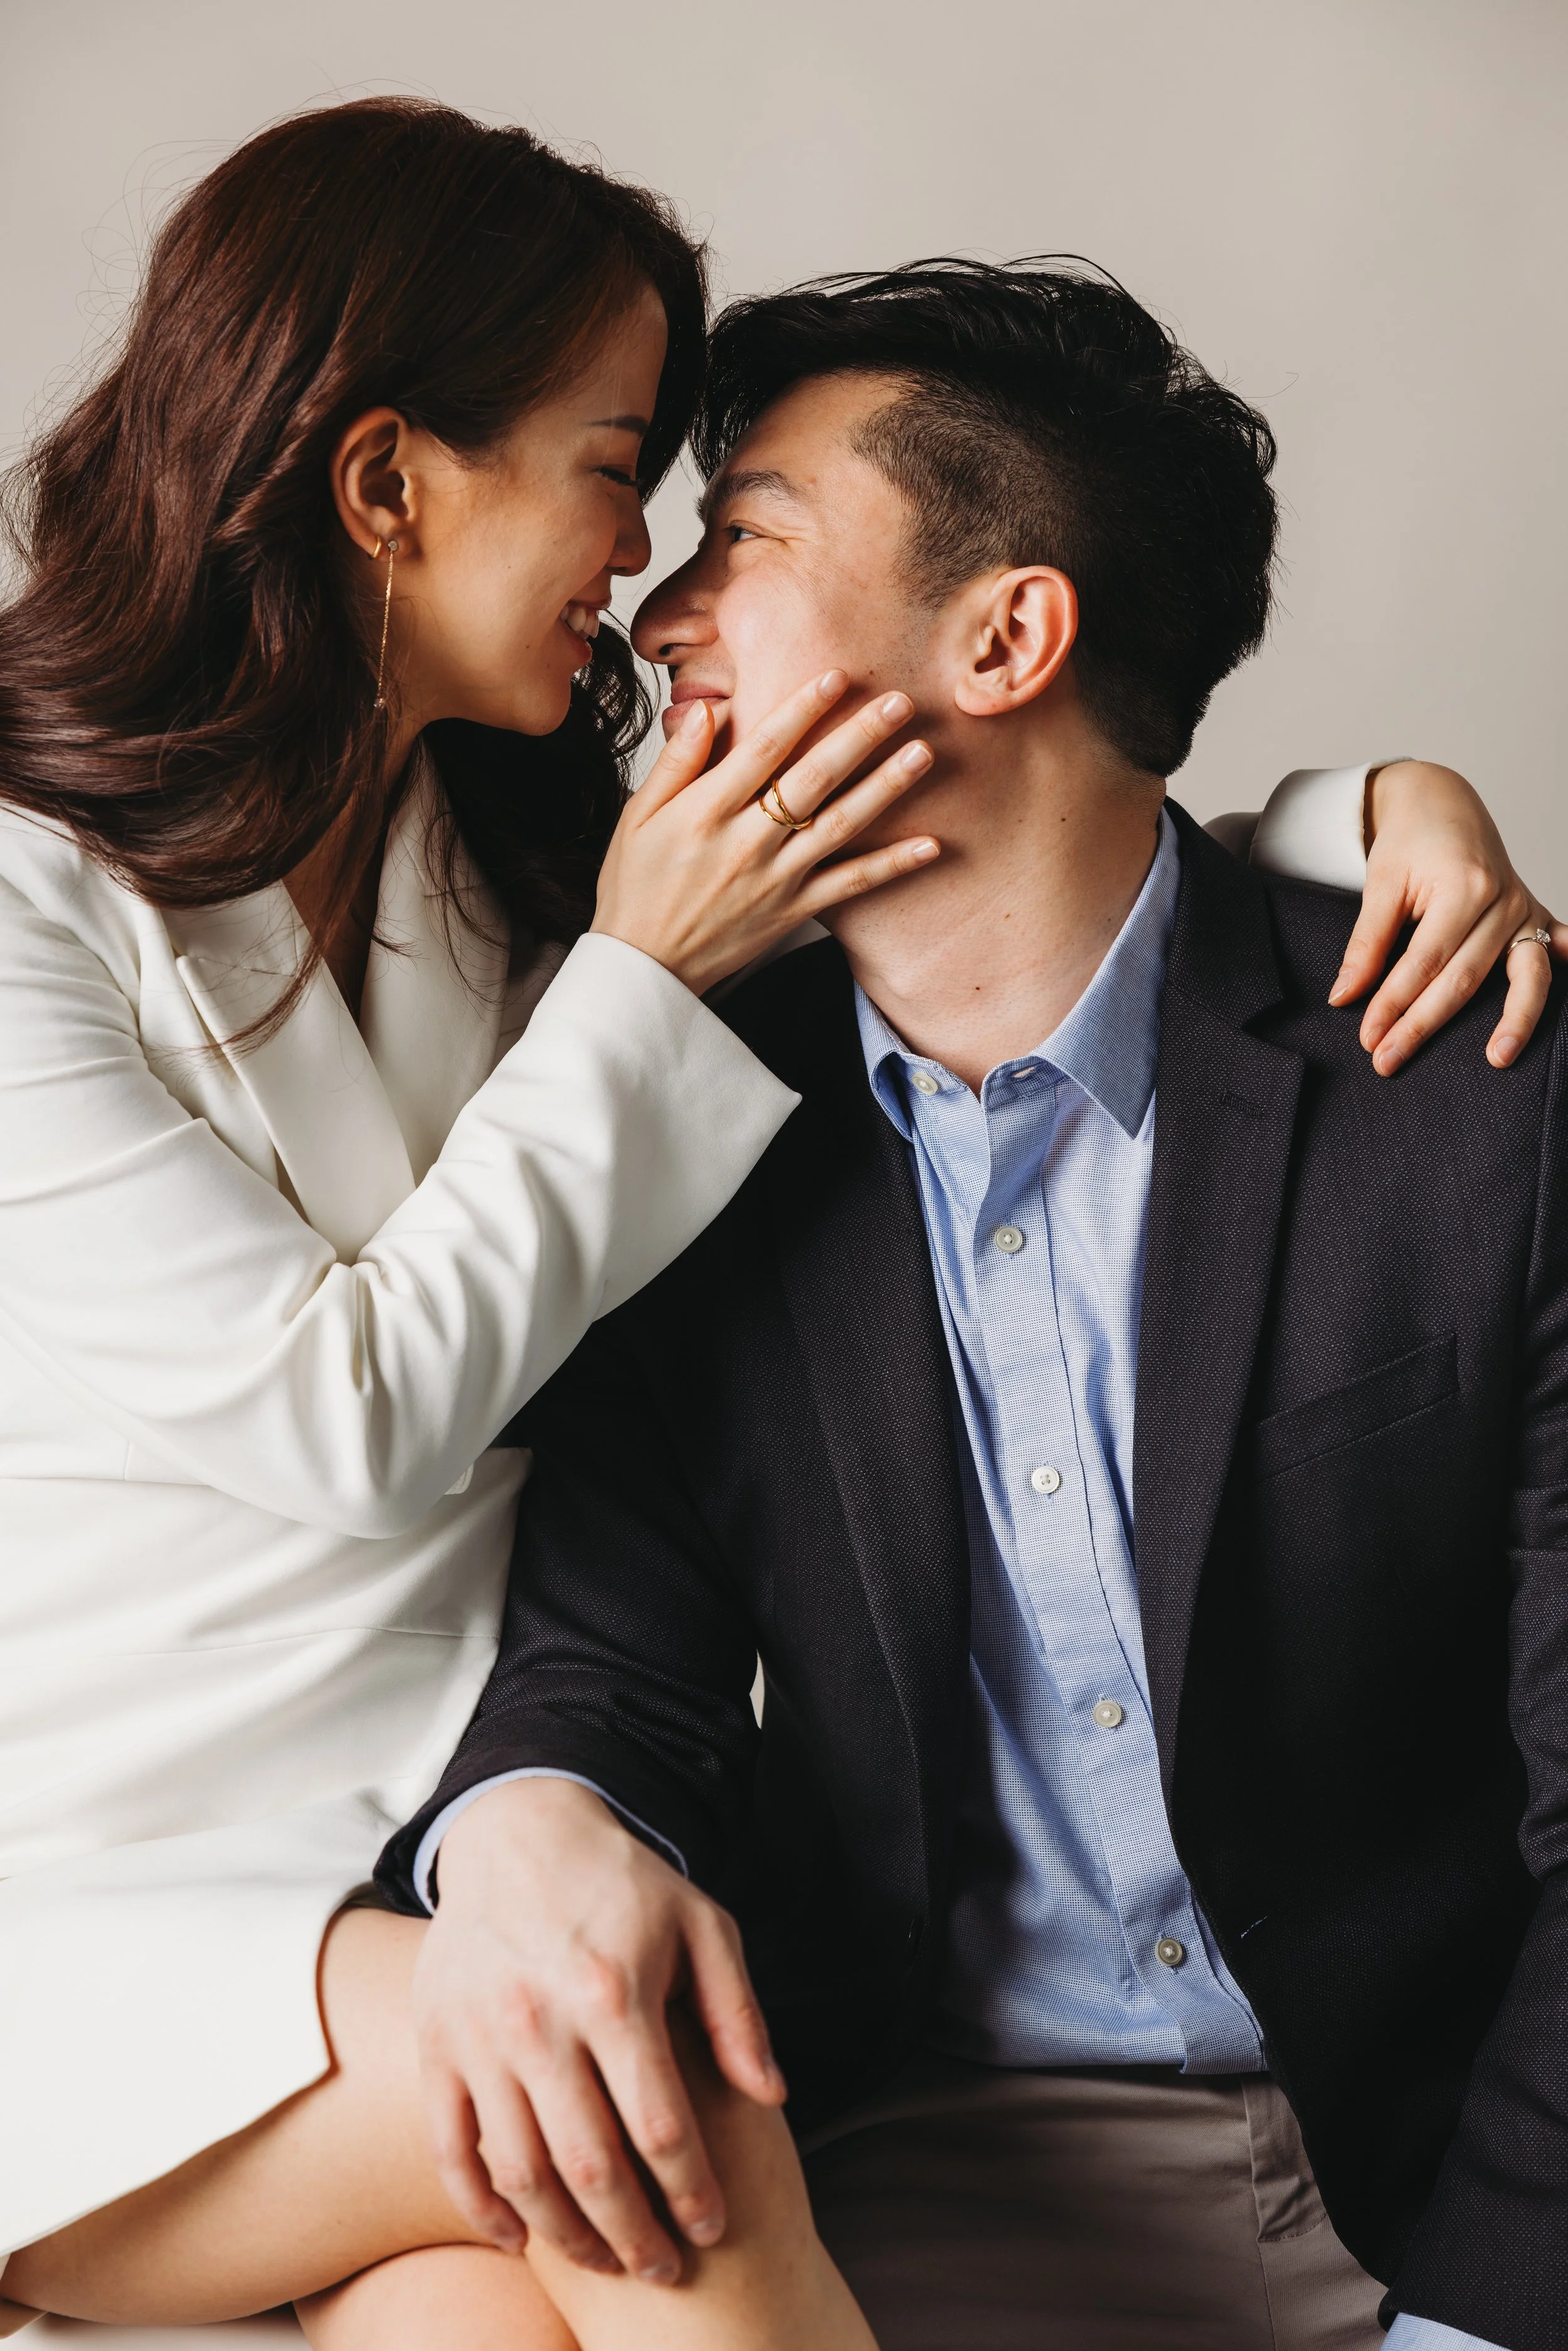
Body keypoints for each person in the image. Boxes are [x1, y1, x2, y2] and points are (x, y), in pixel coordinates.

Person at [0, 146, 1547, 2351]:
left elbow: (1082, 873)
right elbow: (369, 1428)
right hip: (132, 1900)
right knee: (642, 2108)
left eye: (716, 523)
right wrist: (529, 1808)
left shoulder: (511, 874)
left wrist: (1377, 809)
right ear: (380, 486)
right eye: (626, 480)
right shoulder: (110, 917)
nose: (646, 587)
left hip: (422, 1886)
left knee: (469, 2322)